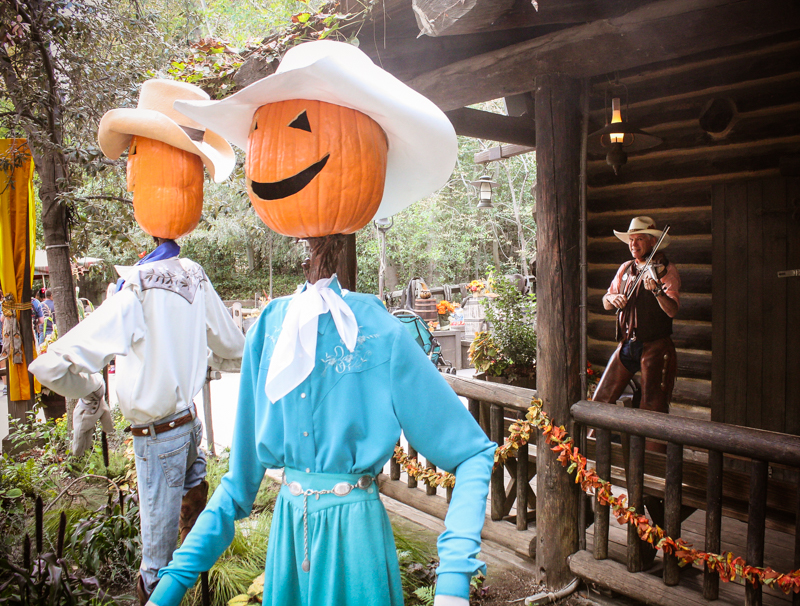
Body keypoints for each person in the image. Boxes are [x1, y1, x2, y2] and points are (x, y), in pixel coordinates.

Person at [149, 41, 494, 606]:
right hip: (289, 541)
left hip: (356, 547)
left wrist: (453, 580)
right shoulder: (270, 327)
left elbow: (471, 451)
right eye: (267, 137)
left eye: (300, 129)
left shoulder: (379, 331)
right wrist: (175, 579)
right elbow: (238, 488)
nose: (276, 155)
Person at [29, 78, 241, 606]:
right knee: (198, 530)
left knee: (156, 558)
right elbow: (234, 347)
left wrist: (88, 381)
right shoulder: (196, 276)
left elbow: (50, 363)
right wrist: (203, 357)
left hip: (156, 438)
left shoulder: (137, 290)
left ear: (138, 180)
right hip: (187, 424)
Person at [593, 216, 680, 432]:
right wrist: (611, 299)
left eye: (639, 239)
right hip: (627, 345)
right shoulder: (625, 269)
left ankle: (653, 463)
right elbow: (605, 301)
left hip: (655, 347)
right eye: (631, 240)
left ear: (652, 241)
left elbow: (672, 310)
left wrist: (657, 291)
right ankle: (590, 453)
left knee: (653, 409)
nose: (634, 244)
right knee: (600, 400)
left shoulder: (665, 270)